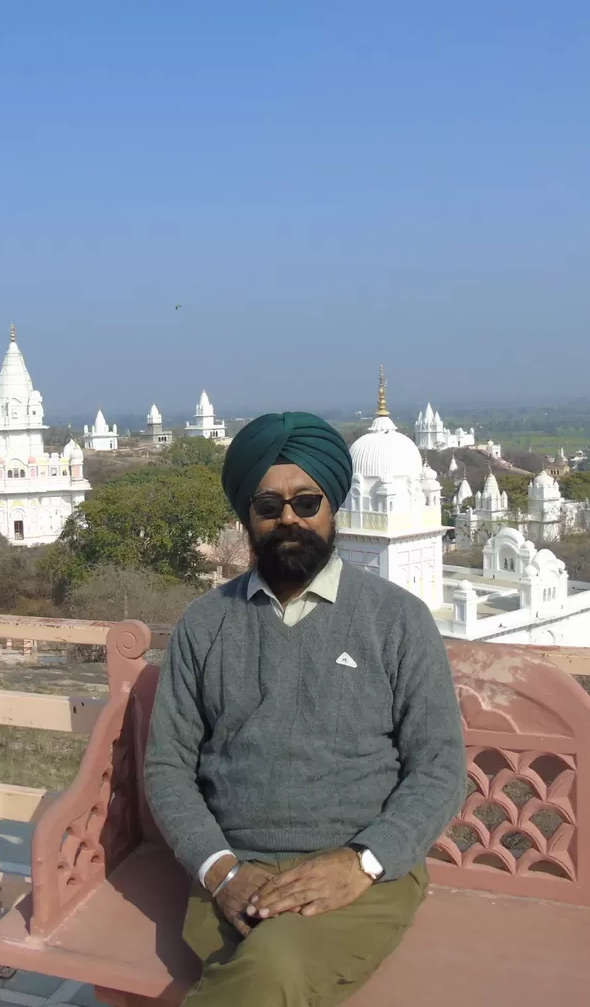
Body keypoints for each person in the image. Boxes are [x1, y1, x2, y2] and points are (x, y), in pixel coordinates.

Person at [145, 410, 467, 1006]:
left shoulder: (395, 620)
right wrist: (220, 872)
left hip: (362, 873)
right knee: (271, 966)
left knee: (275, 966)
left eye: (306, 501)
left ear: (333, 508)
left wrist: (361, 863)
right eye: (269, 507)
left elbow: (440, 767)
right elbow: (167, 767)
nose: (289, 518)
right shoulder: (206, 624)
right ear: (248, 517)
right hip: (234, 868)